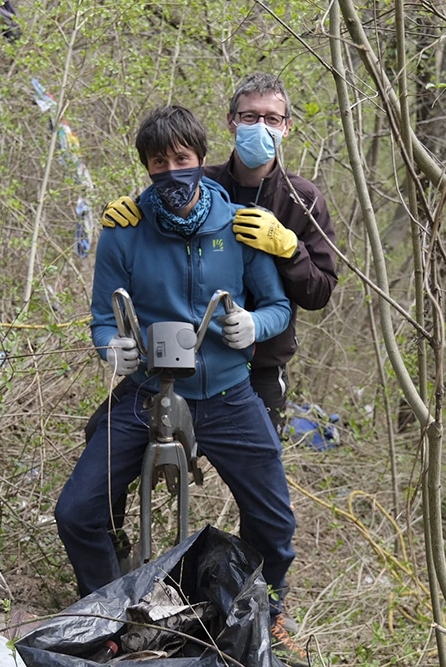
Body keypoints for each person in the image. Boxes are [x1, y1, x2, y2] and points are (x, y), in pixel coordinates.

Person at [54, 105, 306, 665]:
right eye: (159, 162)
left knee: (274, 521)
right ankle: (112, 617)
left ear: (200, 158)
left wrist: (252, 327)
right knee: (77, 510)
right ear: (146, 167)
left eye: (182, 159)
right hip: (147, 389)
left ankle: (262, 613)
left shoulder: (239, 225)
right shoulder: (124, 231)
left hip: (227, 393)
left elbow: (278, 306)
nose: (172, 172)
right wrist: (110, 347)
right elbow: (102, 315)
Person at [104, 72, 338, 436]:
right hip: (179, 360)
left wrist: (289, 248)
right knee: (100, 437)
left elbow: (319, 293)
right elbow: (159, 200)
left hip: (260, 365)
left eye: (271, 118)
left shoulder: (303, 200)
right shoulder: (199, 179)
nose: (260, 126)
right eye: (249, 117)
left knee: (262, 468)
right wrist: (128, 209)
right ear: (231, 122)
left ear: (286, 127)